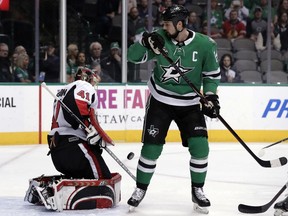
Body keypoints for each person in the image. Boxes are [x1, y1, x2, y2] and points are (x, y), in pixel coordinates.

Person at [126, 5, 221, 214]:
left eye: (167, 24)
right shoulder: (159, 38)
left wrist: (212, 97)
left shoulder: (205, 44)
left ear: (180, 24)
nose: (163, 27)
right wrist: (144, 42)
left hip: (189, 104)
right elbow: (131, 57)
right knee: (151, 149)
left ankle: (198, 190)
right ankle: (140, 189)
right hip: (161, 101)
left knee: (200, 147)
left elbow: (211, 76)